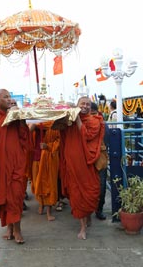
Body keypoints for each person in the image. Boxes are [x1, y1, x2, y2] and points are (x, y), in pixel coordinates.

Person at [52, 96, 105, 240]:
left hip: (87, 164)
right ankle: (82, 227)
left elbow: (87, 135)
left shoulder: (94, 121)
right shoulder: (69, 121)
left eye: (88, 104)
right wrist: (65, 112)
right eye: (82, 104)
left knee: (92, 192)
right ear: (77, 105)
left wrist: (77, 119)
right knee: (76, 194)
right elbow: (55, 126)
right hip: (72, 163)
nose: (85, 106)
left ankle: (88, 215)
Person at [0, 89, 30, 244]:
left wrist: (20, 119)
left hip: (17, 162)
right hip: (1, 163)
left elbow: (24, 136)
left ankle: (17, 229)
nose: (9, 99)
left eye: (10, 96)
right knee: (4, 197)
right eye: (5, 97)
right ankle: (9, 228)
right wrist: (10, 117)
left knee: (16, 197)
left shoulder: (15, 115)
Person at [30, 121, 60, 221]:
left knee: (49, 184)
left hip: (49, 159)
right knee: (37, 184)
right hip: (35, 158)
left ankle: (48, 210)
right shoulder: (34, 125)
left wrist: (48, 146)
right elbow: (25, 137)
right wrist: (31, 128)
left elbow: (59, 141)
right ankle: (41, 204)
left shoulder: (54, 126)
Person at [91, 102, 110, 220]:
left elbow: (106, 140)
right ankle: (97, 210)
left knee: (101, 186)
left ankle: (98, 209)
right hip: (96, 158)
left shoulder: (102, 123)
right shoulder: (102, 123)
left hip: (99, 158)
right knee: (98, 186)